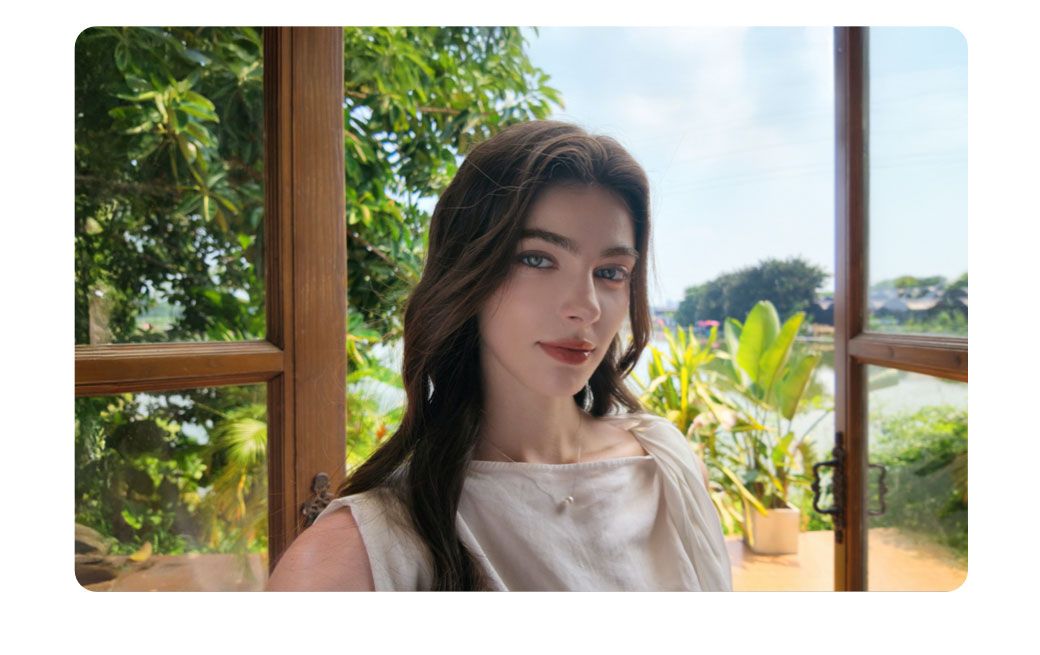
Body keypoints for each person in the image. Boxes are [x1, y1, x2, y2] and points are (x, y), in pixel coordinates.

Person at [266, 120, 733, 592]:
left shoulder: (668, 467)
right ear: (468, 269)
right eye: (537, 259)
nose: (586, 306)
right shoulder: (361, 552)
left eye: (611, 272)